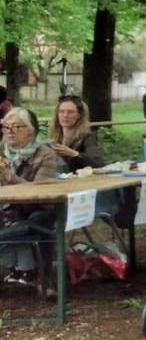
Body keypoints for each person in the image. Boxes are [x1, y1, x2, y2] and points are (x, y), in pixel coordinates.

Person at [0, 107, 64, 290]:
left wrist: (10, 177)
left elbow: (41, 193)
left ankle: (45, 278)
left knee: (39, 221)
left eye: (17, 127)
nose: (9, 132)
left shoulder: (46, 154)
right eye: (6, 127)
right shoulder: (1, 151)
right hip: (6, 207)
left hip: (38, 208)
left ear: (30, 131)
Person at [47, 96, 104, 172]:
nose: (65, 115)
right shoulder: (54, 135)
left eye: (70, 112)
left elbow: (97, 163)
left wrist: (74, 154)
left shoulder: (87, 136)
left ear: (79, 115)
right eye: (61, 111)